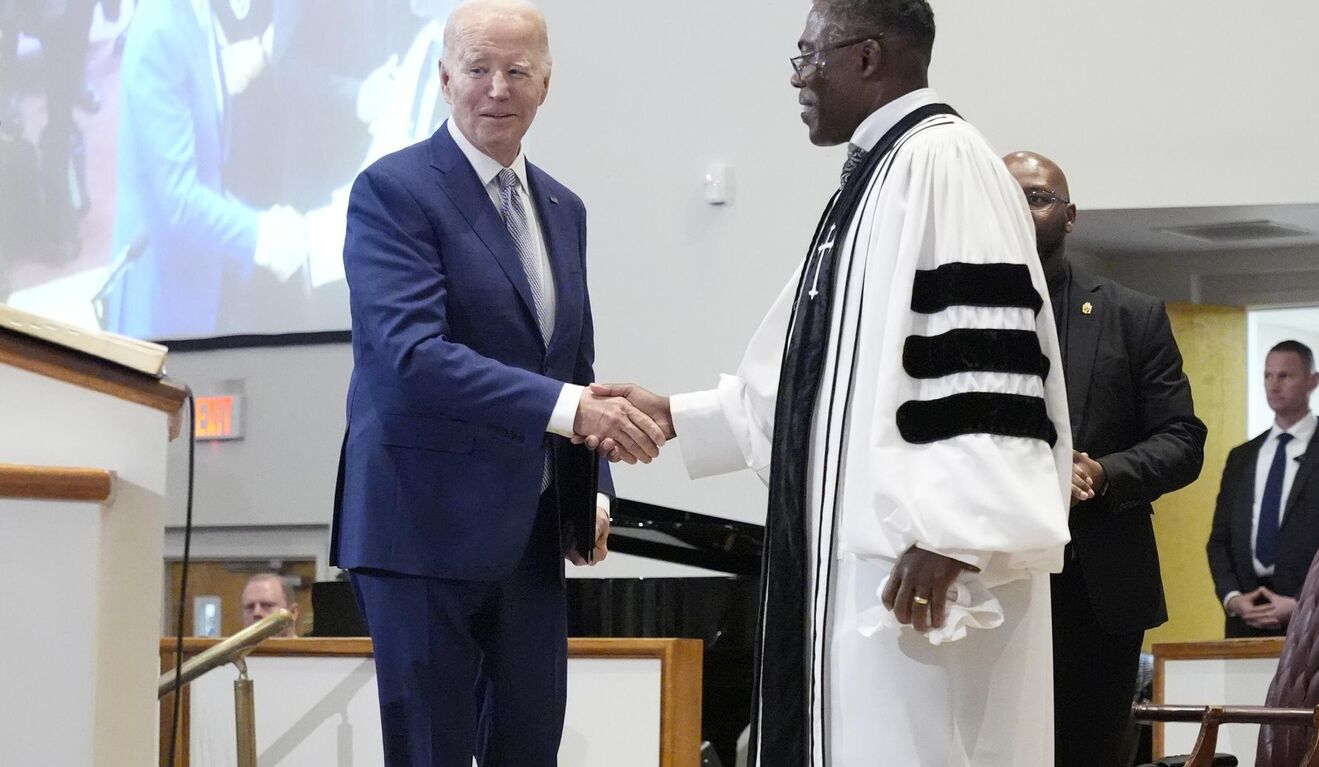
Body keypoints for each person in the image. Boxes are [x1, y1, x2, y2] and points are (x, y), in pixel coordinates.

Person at [585, 1, 1071, 763]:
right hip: (859, 575)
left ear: (868, 57)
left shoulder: (947, 163)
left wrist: (957, 531)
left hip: (925, 579)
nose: (798, 78)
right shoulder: (872, 180)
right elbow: (815, 379)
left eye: (807, 56)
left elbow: (985, 364)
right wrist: (682, 414)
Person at [329, 1, 664, 764]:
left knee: (529, 749)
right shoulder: (393, 192)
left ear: (547, 84)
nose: (497, 88)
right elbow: (411, 357)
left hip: (531, 534)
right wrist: (574, 410)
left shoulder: (563, 208)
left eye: (517, 71)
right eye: (478, 69)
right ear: (445, 79)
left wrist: (595, 485)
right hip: (419, 527)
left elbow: (570, 366)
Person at [1005, 150, 1207, 767]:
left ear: (1070, 216)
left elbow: (1181, 439)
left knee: (1086, 751)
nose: (1022, 209)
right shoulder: (940, 310)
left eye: (1037, 197)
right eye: (1007, 196)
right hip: (990, 579)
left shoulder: (1130, 315)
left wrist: (1103, 472)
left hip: (1097, 585)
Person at [106, 0, 308, 339]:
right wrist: (262, 236)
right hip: (161, 297)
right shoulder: (161, 28)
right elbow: (179, 200)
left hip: (196, 283)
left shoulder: (197, 13)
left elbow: (209, 169)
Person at [1207, 340, 1319, 637]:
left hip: (1315, 623)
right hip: (1245, 619)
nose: (1274, 385)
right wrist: (1232, 598)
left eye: (1285, 376)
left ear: (1313, 381)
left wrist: (1302, 602)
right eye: (1268, 376)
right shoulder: (1242, 457)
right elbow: (1220, 540)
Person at [240, 572, 300, 637]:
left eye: (267, 605)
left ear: (292, 612)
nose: (256, 613)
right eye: (250, 607)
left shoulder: (311, 647)